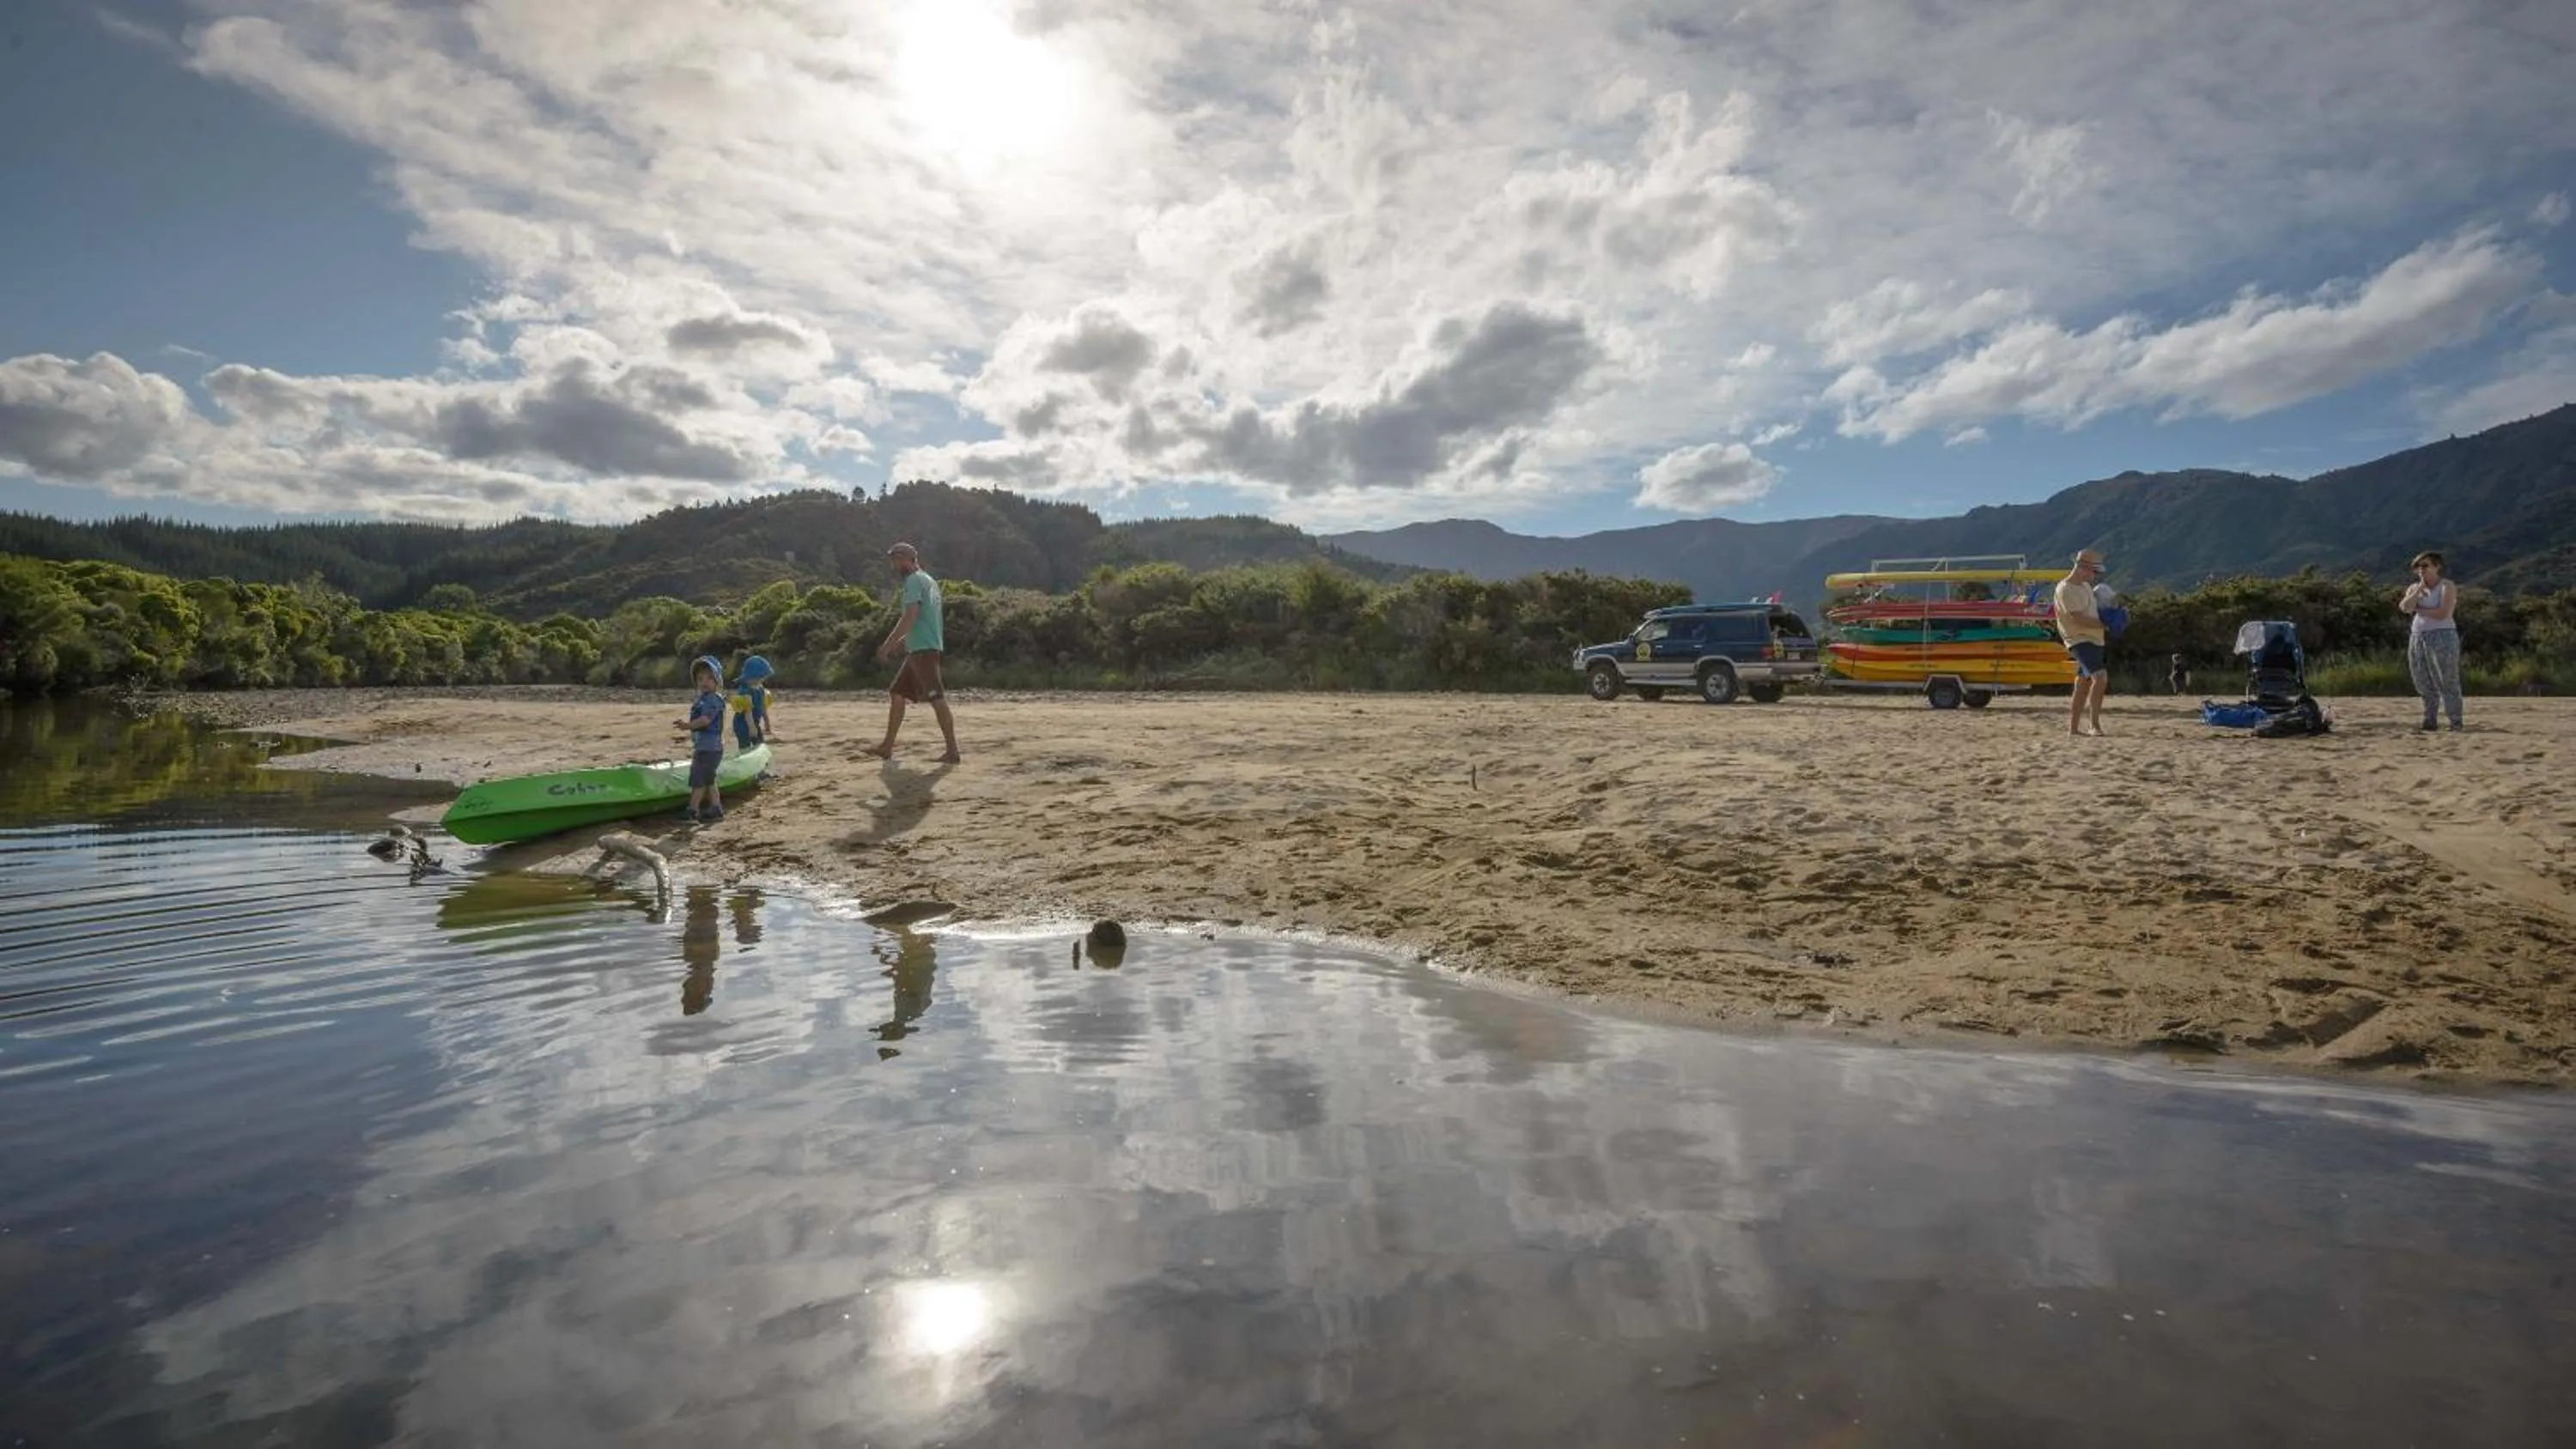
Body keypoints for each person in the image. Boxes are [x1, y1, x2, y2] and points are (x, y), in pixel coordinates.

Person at [864, 542, 962, 762]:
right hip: (920, 647)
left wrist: (888, 645)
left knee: (937, 697)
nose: (895, 564)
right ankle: (887, 746)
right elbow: (924, 618)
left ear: (911, 559)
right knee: (897, 693)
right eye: (893, 560)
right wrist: (904, 641)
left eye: (899, 559)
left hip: (924, 649)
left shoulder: (914, 581)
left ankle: (953, 751)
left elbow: (910, 616)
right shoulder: (929, 581)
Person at [2399, 550, 2463, 731]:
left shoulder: (2446, 586)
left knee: (2447, 679)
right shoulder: (2414, 588)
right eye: (2417, 567)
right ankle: (2430, 719)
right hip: (2418, 635)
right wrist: (2418, 592)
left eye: (2425, 566)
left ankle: (2455, 720)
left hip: (2443, 634)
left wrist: (2419, 610)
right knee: (2422, 679)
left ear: (2437, 566)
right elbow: (2404, 607)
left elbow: (2444, 613)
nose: (2421, 570)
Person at [2054, 549, 2111, 737]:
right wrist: (2107, 624)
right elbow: (2079, 619)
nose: (2094, 575)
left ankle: (2073, 728)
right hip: (2079, 639)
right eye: (2093, 571)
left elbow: (2092, 611)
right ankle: (2094, 725)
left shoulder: (2085, 586)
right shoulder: (2065, 589)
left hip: (2094, 639)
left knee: (2083, 683)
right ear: (2082, 568)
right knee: (2100, 677)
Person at [674, 655, 729, 822]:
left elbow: (705, 720)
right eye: (700, 678)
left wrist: (687, 726)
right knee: (709, 779)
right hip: (710, 747)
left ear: (717, 681)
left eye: (710, 678)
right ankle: (716, 808)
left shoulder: (713, 700)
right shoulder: (704, 699)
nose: (704, 682)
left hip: (709, 748)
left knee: (698, 780)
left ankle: (692, 810)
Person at [731, 654, 776, 748]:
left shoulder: (760, 689)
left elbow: (763, 707)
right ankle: (745, 758)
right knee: (745, 744)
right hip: (742, 723)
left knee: (760, 743)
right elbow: (748, 712)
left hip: (755, 721)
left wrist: (767, 723)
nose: (761, 680)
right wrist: (752, 728)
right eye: (759, 677)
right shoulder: (745, 691)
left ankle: (760, 760)